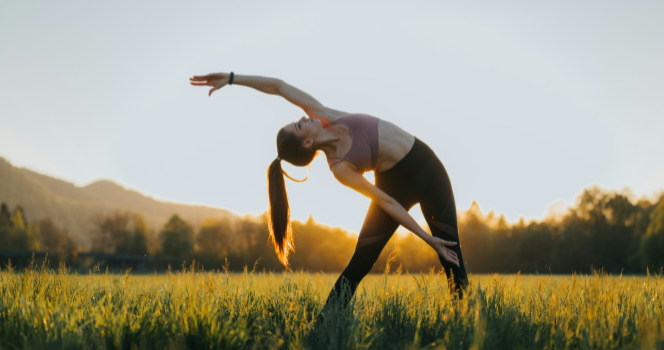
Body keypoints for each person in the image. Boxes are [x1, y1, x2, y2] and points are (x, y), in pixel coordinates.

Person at [190, 72, 468, 306]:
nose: (304, 118)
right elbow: (388, 203)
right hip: (394, 186)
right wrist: (426, 239)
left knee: (453, 263)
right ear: (307, 143)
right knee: (359, 264)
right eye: (300, 125)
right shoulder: (340, 168)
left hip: (431, 172)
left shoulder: (325, 116)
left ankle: (464, 326)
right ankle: (322, 331)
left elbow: (279, 87)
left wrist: (231, 78)